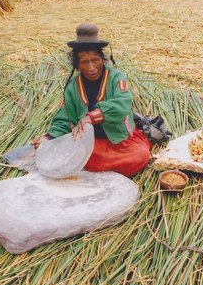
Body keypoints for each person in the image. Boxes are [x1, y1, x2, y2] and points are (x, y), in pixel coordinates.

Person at [32, 23, 151, 177]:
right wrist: (48, 139)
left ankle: (93, 168)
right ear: (77, 66)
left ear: (103, 59)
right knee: (69, 155)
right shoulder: (72, 88)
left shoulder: (116, 78)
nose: (92, 68)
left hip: (119, 141)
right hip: (90, 145)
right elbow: (64, 120)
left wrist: (90, 118)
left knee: (140, 155)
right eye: (85, 62)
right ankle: (97, 166)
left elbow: (122, 105)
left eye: (95, 60)